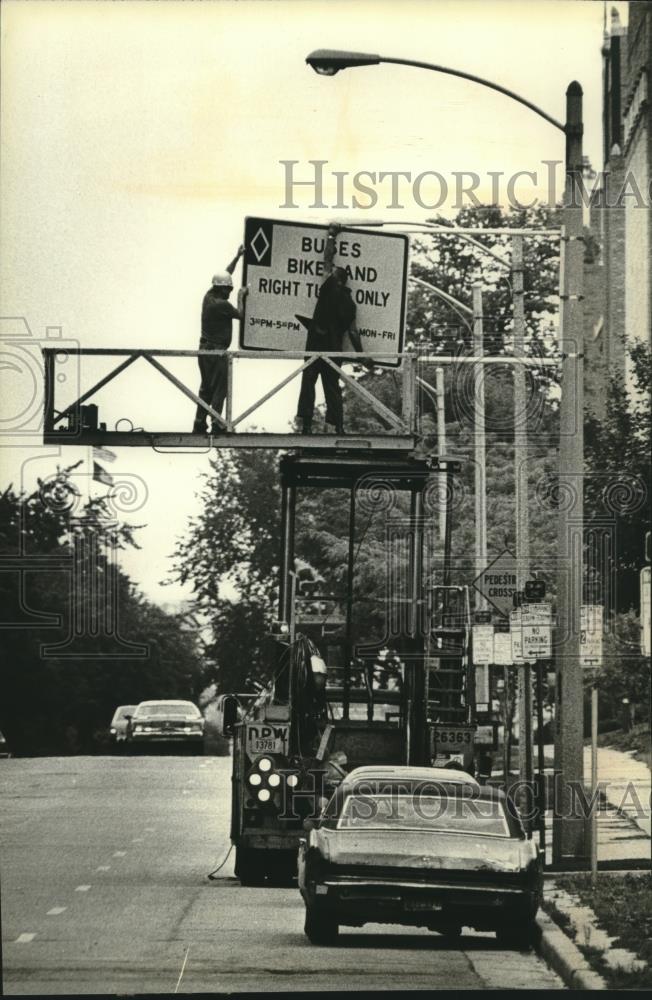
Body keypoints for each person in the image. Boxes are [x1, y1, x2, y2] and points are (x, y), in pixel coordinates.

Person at [296, 225, 364, 434]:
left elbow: (327, 259)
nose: (330, 272)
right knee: (332, 387)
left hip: (316, 343)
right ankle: (339, 427)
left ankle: (306, 425)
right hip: (334, 348)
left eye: (333, 273)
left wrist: (332, 236)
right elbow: (353, 332)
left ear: (338, 278)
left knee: (308, 383)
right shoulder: (350, 304)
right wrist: (362, 355)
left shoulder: (329, 286)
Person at [192, 245, 247, 434]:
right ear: (222, 289)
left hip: (204, 350)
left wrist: (237, 257)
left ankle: (199, 422)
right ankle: (217, 424)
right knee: (220, 388)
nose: (230, 292)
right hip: (216, 351)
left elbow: (225, 273)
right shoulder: (221, 305)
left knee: (206, 388)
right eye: (229, 290)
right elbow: (240, 315)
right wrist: (241, 296)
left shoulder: (208, 296)